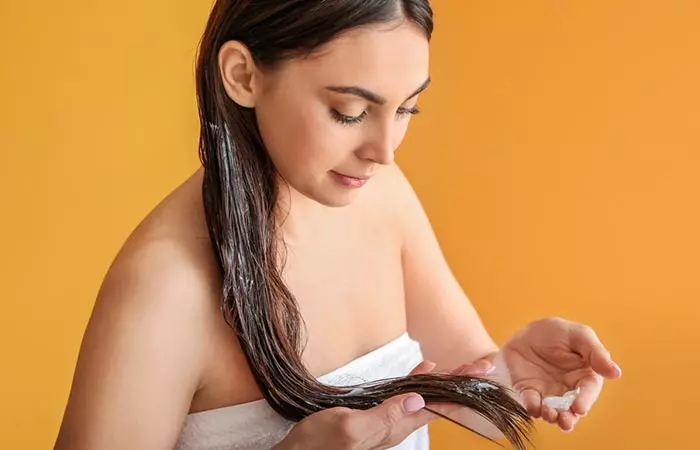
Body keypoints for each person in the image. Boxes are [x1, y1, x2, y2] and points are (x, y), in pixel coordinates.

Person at [54, 1, 622, 449]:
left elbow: (472, 397)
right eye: (350, 112)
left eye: (405, 110)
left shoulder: (382, 196)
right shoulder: (167, 285)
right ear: (243, 75)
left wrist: (510, 379)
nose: (385, 151)